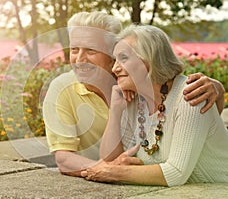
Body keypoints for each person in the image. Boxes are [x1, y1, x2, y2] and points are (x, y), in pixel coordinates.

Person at [42, 11, 226, 178]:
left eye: (91, 50)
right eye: (74, 49)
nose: (79, 59)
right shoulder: (125, 93)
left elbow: (196, 112)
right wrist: (110, 169)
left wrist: (216, 89)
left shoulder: (138, 86)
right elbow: (65, 159)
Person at [81, 24, 228, 186]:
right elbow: (109, 159)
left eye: (123, 58)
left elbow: (175, 173)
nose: (115, 68)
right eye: (115, 60)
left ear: (151, 58)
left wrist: (115, 173)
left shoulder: (190, 94)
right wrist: (115, 110)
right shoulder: (134, 100)